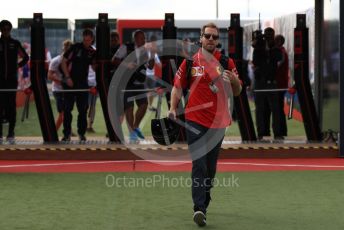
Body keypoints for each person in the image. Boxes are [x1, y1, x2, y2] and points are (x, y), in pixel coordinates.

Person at [168, 22, 242, 227]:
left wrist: (233, 80)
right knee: (199, 164)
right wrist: (173, 108)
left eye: (214, 37)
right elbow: (176, 87)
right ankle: (199, 208)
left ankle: (205, 198)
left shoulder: (227, 62)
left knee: (210, 168)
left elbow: (238, 91)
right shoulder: (190, 63)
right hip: (195, 121)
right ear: (200, 38)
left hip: (219, 123)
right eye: (207, 36)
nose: (211, 40)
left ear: (218, 40)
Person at [113, 30, 155, 143]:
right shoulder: (125, 47)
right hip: (127, 82)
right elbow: (114, 60)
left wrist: (153, 54)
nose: (144, 40)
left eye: (144, 38)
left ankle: (135, 127)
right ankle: (132, 134)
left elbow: (151, 67)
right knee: (129, 108)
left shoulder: (146, 50)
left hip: (140, 83)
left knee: (144, 105)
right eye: (142, 38)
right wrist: (127, 64)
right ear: (135, 39)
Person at [60, 28, 96, 142]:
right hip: (70, 84)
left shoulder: (92, 52)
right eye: (85, 40)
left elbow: (94, 67)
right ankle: (66, 134)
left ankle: (81, 134)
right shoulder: (75, 47)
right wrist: (67, 77)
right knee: (67, 110)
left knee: (83, 111)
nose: (86, 42)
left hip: (83, 85)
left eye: (88, 40)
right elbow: (63, 61)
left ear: (92, 40)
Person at [0, 20, 29, 143]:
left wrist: (17, 66)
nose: (6, 31)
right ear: (1, 30)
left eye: (8, 29)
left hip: (11, 80)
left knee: (11, 106)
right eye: (4, 29)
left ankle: (11, 133)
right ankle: (0, 134)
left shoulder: (15, 43)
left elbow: (26, 57)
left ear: (10, 30)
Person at [252, 27, 282, 141]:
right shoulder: (259, 46)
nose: (269, 37)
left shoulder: (275, 47)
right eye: (267, 35)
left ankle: (277, 133)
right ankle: (260, 132)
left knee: (275, 108)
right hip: (260, 81)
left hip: (271, 81)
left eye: (271, 35)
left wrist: (271, 47)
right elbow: (256, 61)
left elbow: (278, 57)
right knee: (260, 108)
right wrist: (261, 47)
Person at [48, 39, 73, 132]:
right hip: (58, 90)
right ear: (63, 49)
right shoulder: (56, 60)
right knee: (62, 113)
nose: (67, 51)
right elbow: (49, 75)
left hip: (69, 90)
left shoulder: (74, 61)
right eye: (66, 48)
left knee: (67, 112)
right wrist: (62, 81)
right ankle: (53, 133)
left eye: (69, 49)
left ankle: (68, 131)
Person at [274, 34, 289, 138]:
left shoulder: (281, 53)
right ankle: (281, 131)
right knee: (279, 108)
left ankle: (280, 132)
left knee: (278, 108)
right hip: (281, 83)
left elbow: (275, 66)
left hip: (279, 84)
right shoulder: (282, 52)